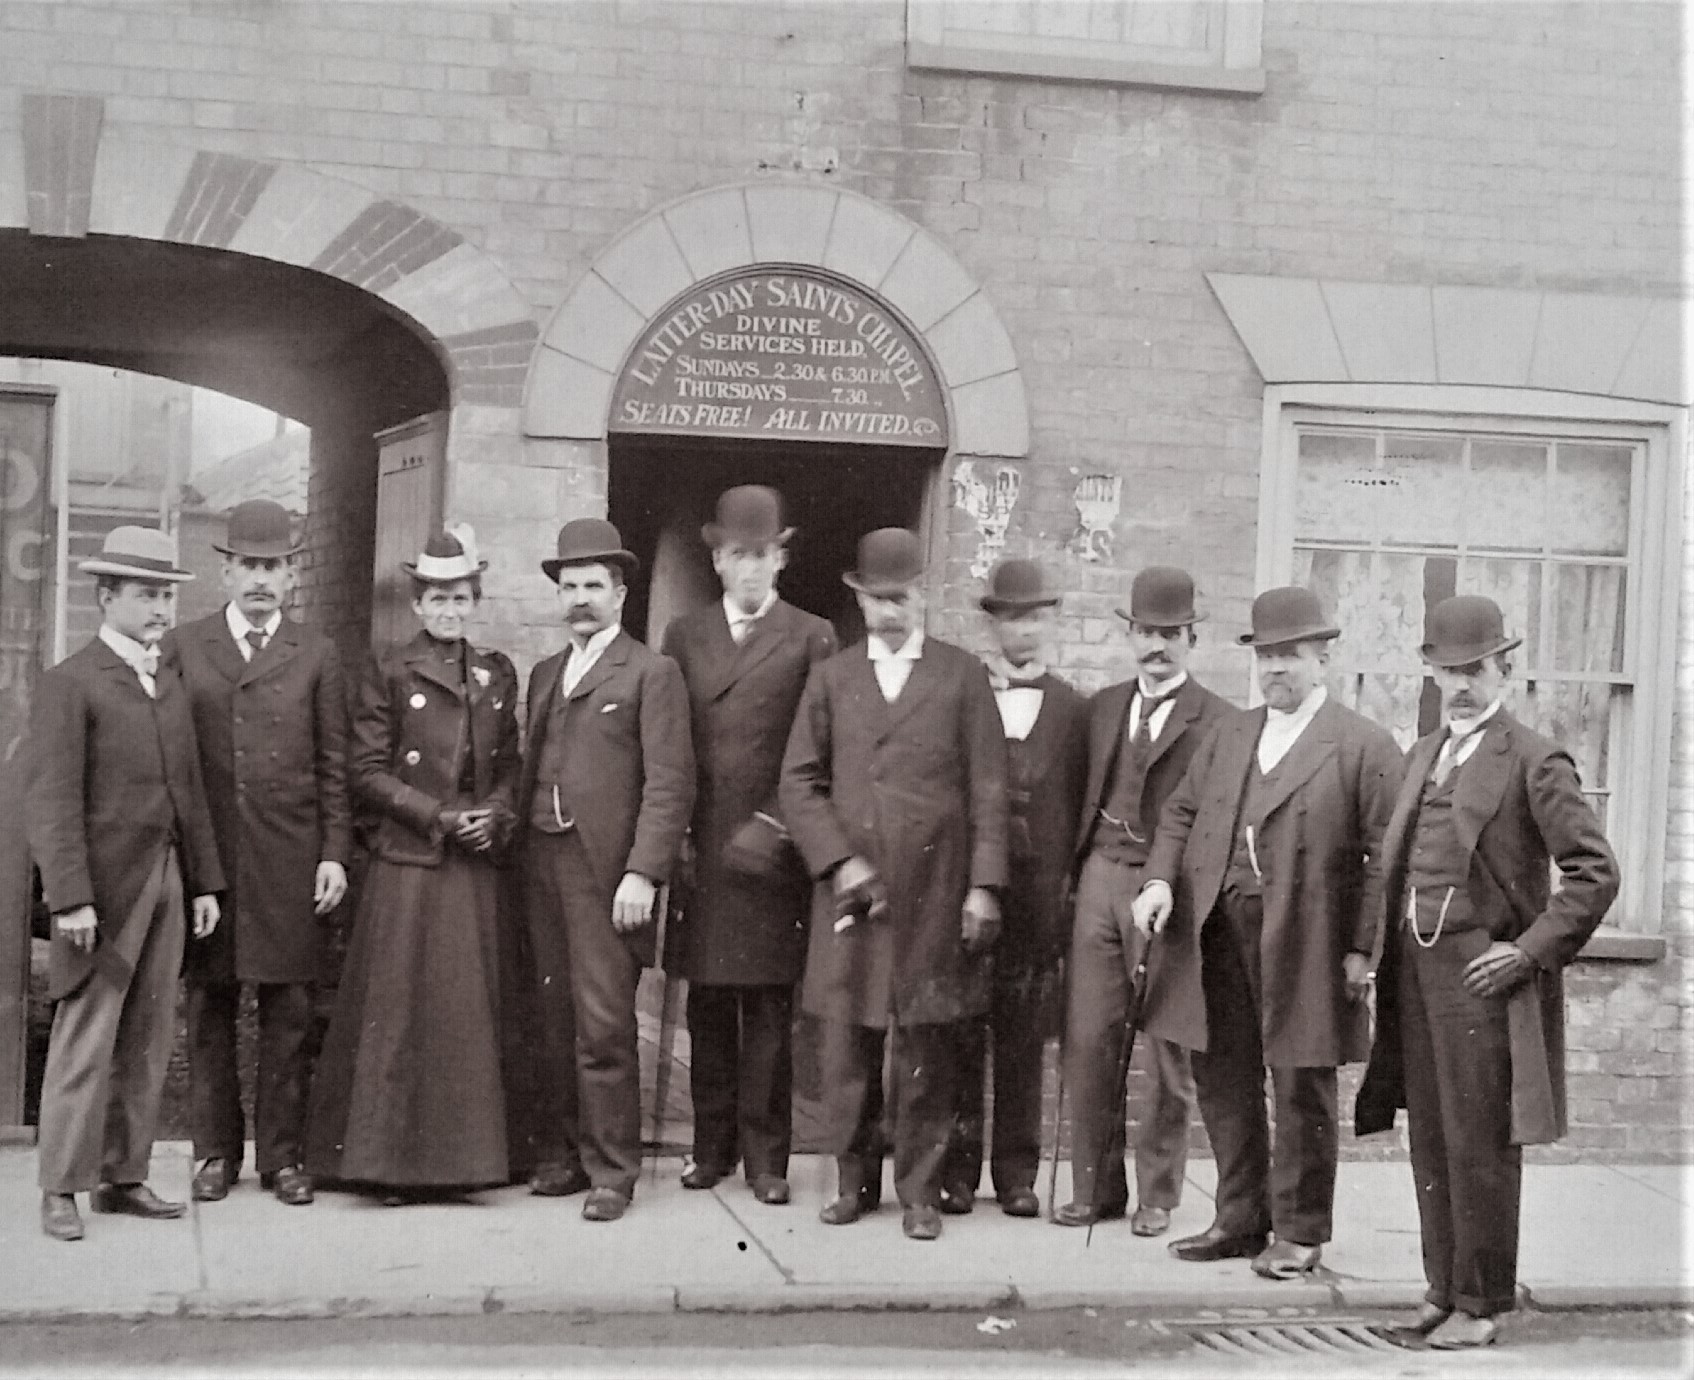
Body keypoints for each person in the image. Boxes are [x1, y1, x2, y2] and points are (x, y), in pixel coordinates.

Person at [1356, 596, 1618, 1349]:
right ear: (1431, 673)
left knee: (1481, 1141)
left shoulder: (1535, 758)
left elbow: (1595, 873)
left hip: (1485, 976)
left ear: (1505, 668)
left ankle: (1483, 1302)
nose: (1462, 684)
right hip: (1416, 974)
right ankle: (1443, 1289)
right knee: (1431, 1137)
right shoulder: (1424, 752)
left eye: (1475, 669)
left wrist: (1529, 951)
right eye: (1447, 670)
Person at [1132, 585, 1401, 1278]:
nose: (1276, 669)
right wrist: (1160, 882)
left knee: (1300, 1081)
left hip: (1306, 940)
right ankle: (1240, 1218)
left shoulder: (1362, 745)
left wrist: (1360, 949)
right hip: (1217, 931)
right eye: (1266, 657)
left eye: (1290, 655)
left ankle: (1302, 1231)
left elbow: (1385, 860)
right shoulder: (1229, 735)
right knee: (1223, 1077)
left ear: (1322, 659)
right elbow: (1181, 815)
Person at [780, 527, 1008, 1241]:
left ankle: (920, 1191)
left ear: (923, 596)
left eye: (901, 598)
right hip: (854, 897)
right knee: (848, 1043)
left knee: (924, 1048)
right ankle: (852, 1184)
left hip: (936, 892)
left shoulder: (961, 675)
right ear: (858, 598)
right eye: (876, 600)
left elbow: (989, 791)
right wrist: (839, 861)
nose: (889, 612)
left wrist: (984, 886)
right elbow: (798, 781)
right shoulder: (833, 677)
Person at [305, 526, 518, 1201]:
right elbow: (365, 772)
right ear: (418, 604)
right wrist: (437, 816)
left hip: (474, 864)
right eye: (436, 599)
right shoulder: (389, 669)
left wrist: (498, 813)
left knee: (464, 1015)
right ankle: (388, 1164)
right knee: (399, 1013)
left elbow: (511, 764)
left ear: (473, 601)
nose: (449, 611)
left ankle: (463, 1164)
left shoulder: (495, 672)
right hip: (412, 856)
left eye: (460, 598)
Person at [28, 526, 224, 1242]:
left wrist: (203, 883)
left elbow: (190, 789)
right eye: (146, 595)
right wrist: (70, 896)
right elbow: (52, 802)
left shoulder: (165, 681)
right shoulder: (70, 682)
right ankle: (60, 1186)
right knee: (87, 1032)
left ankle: (123, 1175)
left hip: (167, 881)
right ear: (105, 596)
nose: (161, 609)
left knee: (147, 1036)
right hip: (104, 893)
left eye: (167, 595)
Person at [163, 499, 351, 1209]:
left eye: (273, 567)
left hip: (290, 857)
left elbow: (334, 763)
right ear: (227, 573)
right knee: (210, 1004)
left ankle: (282, 1159)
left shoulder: (317, 652)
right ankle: (215, 1153)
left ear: (291, 574)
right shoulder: (187, 645)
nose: (261, 581)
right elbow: (175, 760)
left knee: (289, 1010)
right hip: (212, 859)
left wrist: (333, 853)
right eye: (248, 566)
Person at [660, 487, 835, 1206]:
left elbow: (817, 747)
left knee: (766, 1013)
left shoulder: (811, 635)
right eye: (738, 555)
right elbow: (671, 746)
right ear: (718, 559)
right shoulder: (685, 635)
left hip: (771, 854)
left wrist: (775, 827)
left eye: (764, 555)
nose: (752, 569)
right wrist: (678, 841)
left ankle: (768, 1161)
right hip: (704, 851)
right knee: (707, 1007)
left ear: (782, 558)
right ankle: (710, 1149)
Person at [520, 518, 694, 1222]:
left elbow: (670, 782)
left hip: (604, 873)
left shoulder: (651, 673)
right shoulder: (544, 674)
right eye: (570, 587)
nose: (581, 598)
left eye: (594, 585)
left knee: (603, 1024)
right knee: (550, 1018)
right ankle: (561, 1157)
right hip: (539, 862)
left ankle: (613, 1172)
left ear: (621, 593)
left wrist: (642, 873)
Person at [1057, 566, 1228, 1234]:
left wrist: (1175, 884)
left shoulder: (1218, 721)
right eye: (1146, 632)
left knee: (1164, 1048)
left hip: (1170, 892)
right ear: (1128, 633)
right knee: (1089, 1038)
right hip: (1100, 876)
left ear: (1192, 637)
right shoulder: (1101, 707)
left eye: (1170, 634)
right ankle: (1095, 1189)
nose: (1157, 647)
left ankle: (1157, 1194)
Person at [941, 559, 1086, 1219]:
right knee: (963, 1030)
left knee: (1025, 1038)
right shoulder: (964, 694)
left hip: (1039, 903)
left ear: (1049, 623)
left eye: (1034, 618)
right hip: (974, 889)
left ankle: (1018, 1174)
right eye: (1010, 618)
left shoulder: (1075, 710)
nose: (1023, 631)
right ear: (992, 624)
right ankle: (958, 1171)